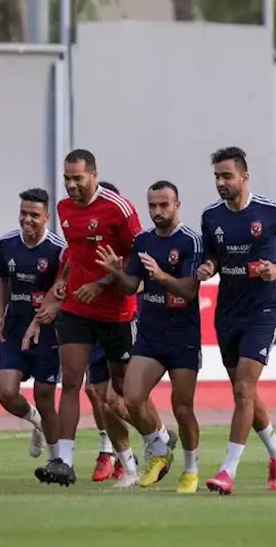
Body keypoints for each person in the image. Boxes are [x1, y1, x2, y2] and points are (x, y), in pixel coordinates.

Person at [26, 151, 165, 488]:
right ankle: (64, 461)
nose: (71, 185)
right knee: (73, 382)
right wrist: (62, 289)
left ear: (93, 174)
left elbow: (137, 255)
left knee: (122, 391)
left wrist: (102, 283)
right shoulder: (63, 209)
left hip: (116, 310)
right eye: (67, 178)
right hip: (77, 308)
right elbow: (75, 253)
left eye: (78, 178)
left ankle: (158, 440)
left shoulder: (119, 208)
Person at [198, 146, 276, 494]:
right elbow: (212, 255)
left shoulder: (271, 211)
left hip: (262, 310)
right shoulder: (211, 216)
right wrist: (208, 267)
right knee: (243, 391)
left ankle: (227, 471)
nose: (221, 182)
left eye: (227, 176)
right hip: (227, 311)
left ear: (244, 176)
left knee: (244, 390)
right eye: (217, 176)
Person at [96, 181, 201, 492]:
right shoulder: (142, 241)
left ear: (177, 205)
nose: (157, 211)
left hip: (183, 337)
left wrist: (161, 275)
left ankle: (191, 469)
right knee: (130, 398)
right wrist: (117, 273)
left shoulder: (190, 241)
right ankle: (159, 451)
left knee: (182, 408)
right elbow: (132, 286)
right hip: (150, 336)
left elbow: (190, 290)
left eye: (163, 205)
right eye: (152, 206)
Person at [0, 188, 65, 465]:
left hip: (48, 334)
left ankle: (56, 459)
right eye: (23, 213)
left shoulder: (59, 250)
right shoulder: (7, 244)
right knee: (6, 392)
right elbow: (3, 282)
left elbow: (61, 291)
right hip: (14, 330)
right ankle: (35, 422)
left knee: (45, 397)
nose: (27, 220)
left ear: (46, 216)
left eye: (34, 214)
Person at [82, 181, 133, 483]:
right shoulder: (85, 243)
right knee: (94, 392)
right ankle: (110, 451)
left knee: (119, 399)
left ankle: (157, 436)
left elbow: (134, 281)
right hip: (92, 323)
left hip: (121, 321)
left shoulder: (127, 245)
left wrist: (106, 279)